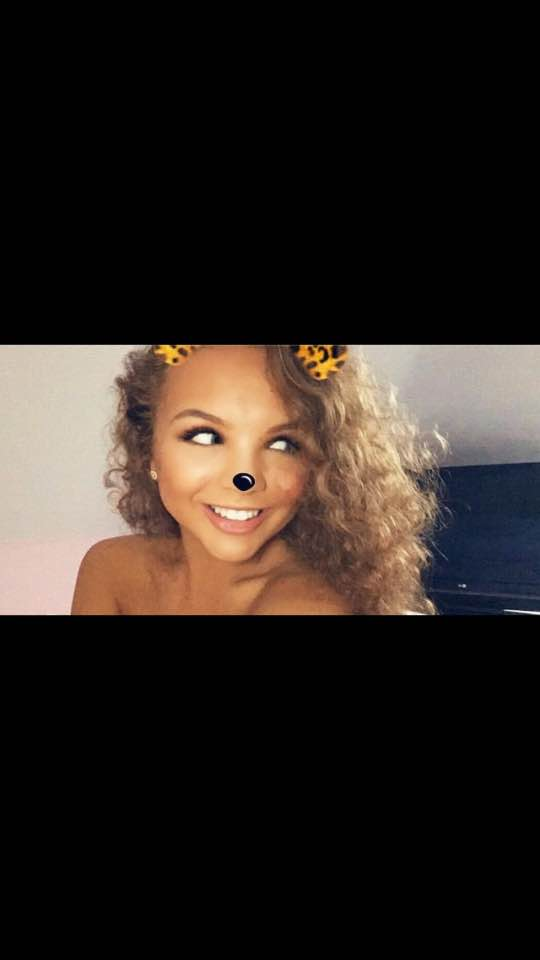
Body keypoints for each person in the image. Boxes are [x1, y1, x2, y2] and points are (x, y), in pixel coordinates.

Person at [71, 344, 443, 615]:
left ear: (318, 466)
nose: (244, 479)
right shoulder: (109, 568)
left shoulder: (308, 608)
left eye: (282, 444)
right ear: (149, 448)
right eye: (206, 436)